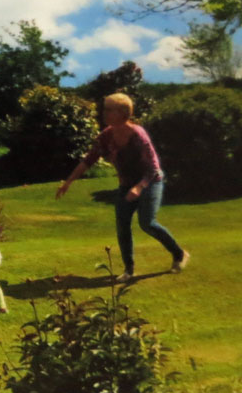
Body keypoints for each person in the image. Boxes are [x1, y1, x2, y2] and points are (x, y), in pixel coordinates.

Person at [56, 93, 188, 282]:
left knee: (147, 223)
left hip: (150, 181)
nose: (104, 113)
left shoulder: (137, 135)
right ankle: (129, 270)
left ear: (123, 113)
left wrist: (139, 187)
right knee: (122, 226)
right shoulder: (106, 137)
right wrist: (68, 182)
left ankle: (179, 254)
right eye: (105, 108)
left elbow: (152, 167)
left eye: (109, 109)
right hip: (126, 185)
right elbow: (88, 161)